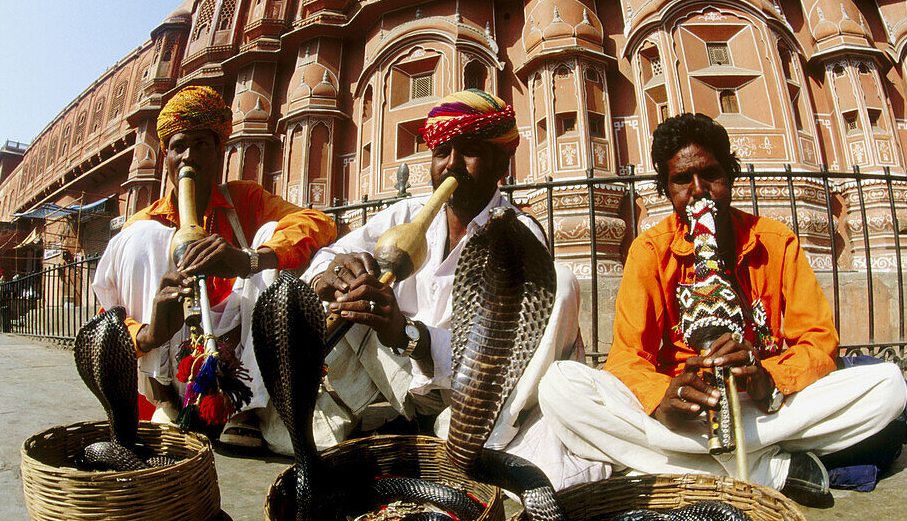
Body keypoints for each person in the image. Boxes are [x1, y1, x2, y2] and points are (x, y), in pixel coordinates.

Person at [538, 113, 907, 505]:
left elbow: (819, 342)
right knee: (560, 387)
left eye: (710, 174)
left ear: (729, 176)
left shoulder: (775, 242)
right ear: (667, 190)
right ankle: (773, 470)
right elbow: (627, 358)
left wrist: (770, 375)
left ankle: (681, 469)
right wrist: (661, 399)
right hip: (687, 412)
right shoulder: (650, 251)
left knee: (887, 386)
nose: (698, 191)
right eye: (682, 180)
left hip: (763, 403)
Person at [295, 89, 609, 490]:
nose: (451, 165)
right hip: (401, 380)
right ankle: (329, 426)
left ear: (502, 162)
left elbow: (504, 352)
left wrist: (408, 335)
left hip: (471, 397)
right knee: (344, 292)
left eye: (470, 151)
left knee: (562, 281)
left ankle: (460, 440)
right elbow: (328, 255)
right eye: (442, 151)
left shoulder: (517, 236)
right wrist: (331, 273)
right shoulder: (405, 214)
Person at [92, 85, 337, 447]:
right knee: (142, 238)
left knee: (272, 234)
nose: (189, 156)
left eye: (202, 145)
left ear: (220, 151)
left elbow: (319, 222)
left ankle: (247, 412)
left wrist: (248, 259)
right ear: (166, 157)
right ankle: (168, 401)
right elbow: (107, 319)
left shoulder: (245, 199)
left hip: (240, 357)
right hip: (174, 354)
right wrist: (150, 333)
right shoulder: (145, 221)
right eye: (178, 147)